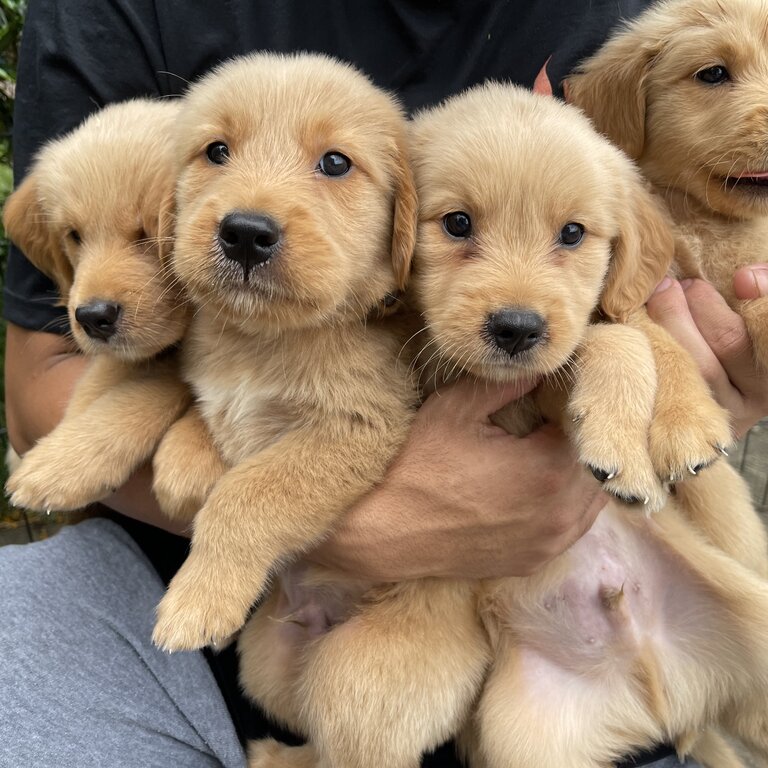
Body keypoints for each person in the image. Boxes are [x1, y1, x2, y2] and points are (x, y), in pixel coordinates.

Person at [2, 1, 767, 766]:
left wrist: (690, 390)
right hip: (188, 603)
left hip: (575, 611)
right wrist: (348, 526)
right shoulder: (120, 15)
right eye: (456, 227)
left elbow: (666, 265)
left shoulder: (640, 23)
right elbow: (44, 384)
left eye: (334, 166)